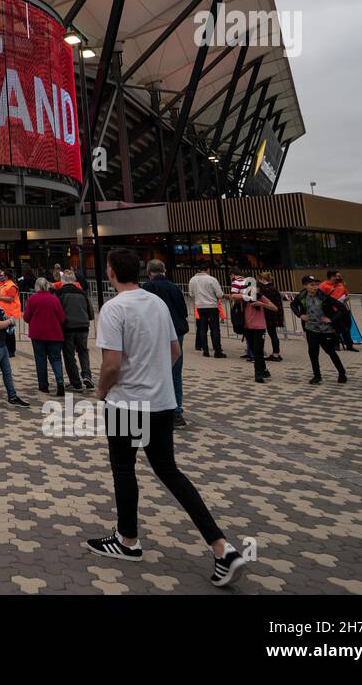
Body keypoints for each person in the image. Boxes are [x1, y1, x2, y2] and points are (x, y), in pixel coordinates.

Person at [86, 248, 247, 587]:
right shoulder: (156, 303)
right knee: (169, 471)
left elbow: (112, 363)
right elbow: (174, 351)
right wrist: (155, 377)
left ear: (111, 272)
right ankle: (221, 547)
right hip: (161, 402)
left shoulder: (113, 308)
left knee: (123, 468)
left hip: (127, 403)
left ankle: (127, 540)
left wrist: (101, 391)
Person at [140, 260, 190, 425]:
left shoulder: (147, 288)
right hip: (176, 332)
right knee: (175, 372)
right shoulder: (174, 287)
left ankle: (157, 409)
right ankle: (176, 411)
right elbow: (183, 311)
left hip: (155, 333)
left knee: (154, 370)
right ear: (164, 270)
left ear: (148, 272)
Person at [289, 276, 347, 384]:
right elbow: (293, 305)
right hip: (311, 329)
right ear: (305, 286)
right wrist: (300, 315)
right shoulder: (302, 295)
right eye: (312, 285)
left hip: (325, 330)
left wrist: (331, 319)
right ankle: (317, 376)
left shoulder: (323, 296)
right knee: (313, 353)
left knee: (331, 352)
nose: (315, 287)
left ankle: (342, 373)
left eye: (316, 285)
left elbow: (342, 308)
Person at [228, 275, 277, 383]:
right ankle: (264, 370)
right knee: (255, 351)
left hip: (259, 328)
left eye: (256, 288)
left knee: (258, 351)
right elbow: (232, 296)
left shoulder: (261, 297)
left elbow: (275, 308)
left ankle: (258, 374)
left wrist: (262, 304)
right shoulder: (244, 298)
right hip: (247, 328)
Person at [25, 278, 67, 395]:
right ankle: (60, 382)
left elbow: (26, 317)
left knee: (40, 359)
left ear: (36, 286)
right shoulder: (54, 300)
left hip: (38, 334)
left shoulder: (32, 299)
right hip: (54, 333)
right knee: (56, 358)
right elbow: (62, 318)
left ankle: (43, 385)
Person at [57, 270, 95, 392]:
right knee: (83, 351)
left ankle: (75, 382)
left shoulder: (60, 293)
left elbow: (58, 311)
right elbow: (91, 312)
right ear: (74, 280)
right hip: (83, 326)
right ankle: (87, 375)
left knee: (69, 355)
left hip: (68, 327)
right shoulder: (82, 293)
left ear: (62, 281)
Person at [187, 262, 225, 358]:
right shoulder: (212, 279)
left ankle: (205, 350)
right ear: (208, 269)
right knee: (215, 329)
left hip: (200, 307)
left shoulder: (192, 280)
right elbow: (219, 294)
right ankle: (217, 351)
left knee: (202, 329)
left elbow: (191, 294)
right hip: (212, 307)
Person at [320, 271, 359, 351]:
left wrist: (346, 298)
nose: (340, 278)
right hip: (332, 311)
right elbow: (320, 298)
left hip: (343, 309)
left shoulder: (340, 285)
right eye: (337, 276)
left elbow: (346, 293)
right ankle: (336, 345)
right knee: (335, 328)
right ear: (331, 276)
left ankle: (349, 345)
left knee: (347, 327)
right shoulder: (323, 285)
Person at [256, 274, 285, 362]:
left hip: (269, 314)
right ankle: (276, 353)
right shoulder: (273, 288)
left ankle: (275, 354)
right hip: (275, 314)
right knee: (273, 334)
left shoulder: (265, 289)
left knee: (272, 334)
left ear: (262, 279)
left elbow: (264, 301)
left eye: (259, 279)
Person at [0, 268, 22, 357]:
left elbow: (10, 299)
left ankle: (11, 351)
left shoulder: (11, 286)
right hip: (4, 311)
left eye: (1, 275)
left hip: (10, 312)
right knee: (6, 332)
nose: (0, 276)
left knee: (10, 332)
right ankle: (7, 350)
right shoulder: (2, 284)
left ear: (6, 276)